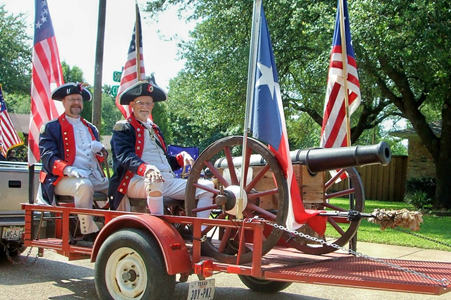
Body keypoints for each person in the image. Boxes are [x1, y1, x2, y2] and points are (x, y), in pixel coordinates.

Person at [108, 80, 213, 220]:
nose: (145, 107)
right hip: (135, 180)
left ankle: (200, 234)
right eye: (141, 103)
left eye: (148, 103)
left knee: (207, 187)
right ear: (132, 105)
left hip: (166, 180)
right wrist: (147, 169)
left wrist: (180, 158)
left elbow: (163, 159)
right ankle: (159, 228)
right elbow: (125, 156)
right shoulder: (123, 127)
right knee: (154, 181)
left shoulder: (154, 129)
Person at [38, 82, 108, 242]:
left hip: (92, 176)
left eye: (79, 99)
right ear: (63, 102)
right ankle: (88, 231)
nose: (76, 103)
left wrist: (100, 151)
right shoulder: (51, 127)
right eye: (72, 99)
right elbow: (48, 157)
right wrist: (67, 169)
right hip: (62, 179)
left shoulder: (91, 128)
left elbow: (99, 159)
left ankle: (117, 225)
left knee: (117, 186)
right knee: (84, 186)